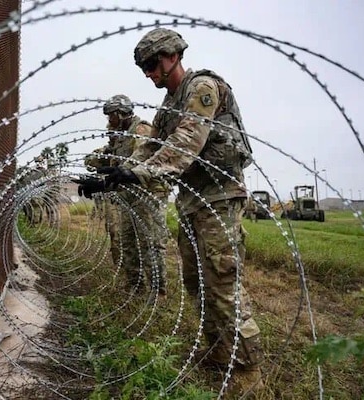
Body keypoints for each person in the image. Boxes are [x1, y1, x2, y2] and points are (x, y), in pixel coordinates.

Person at [83, 28, 265, 395]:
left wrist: (135, 172)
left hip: (219, 199)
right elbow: (149, 151)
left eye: (152, 64)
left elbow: (187, 143)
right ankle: (216, 351)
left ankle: (246, 368)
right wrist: (113, 177)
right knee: (197, 281)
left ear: (173, 56)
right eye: (143, 68)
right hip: (191, 201)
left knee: (223, 283)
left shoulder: (202, 89)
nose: (149, 74)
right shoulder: (167, 108)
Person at [78, 95, 170, 296]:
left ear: (120, 114)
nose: (109, 121)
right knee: (128, 241)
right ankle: (135, 287)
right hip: (129, 196)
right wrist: (91, 161)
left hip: (147, 194)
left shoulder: (140, 131)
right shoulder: (119, 135)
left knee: (150, 243)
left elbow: (144, 163)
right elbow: (109, 157)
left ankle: (158, 292)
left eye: (111, 116)